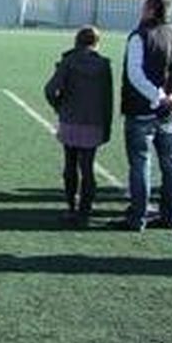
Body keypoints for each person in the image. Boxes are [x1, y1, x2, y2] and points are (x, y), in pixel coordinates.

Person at [119, 0, 172, 231]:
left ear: (152, 10)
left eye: (145, 7)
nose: (141, 11)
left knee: (141, 163)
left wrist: (161, 97)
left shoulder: (140, 36)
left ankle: (138, 216)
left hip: (144, 109)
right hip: (171, 112)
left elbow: (135, 74)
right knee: (171, 163)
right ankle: (171, 215)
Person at [44, 26, 114, 225]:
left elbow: (50, 90)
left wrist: (60, 107)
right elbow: (108, 99)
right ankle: (86, 210)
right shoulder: (104, 65)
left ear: (77, 41)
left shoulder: (68, 62)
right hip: (94, 122)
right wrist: (106, 125)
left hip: (71, 120)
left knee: (70, 165)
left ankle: (71, 207)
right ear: (96, 43)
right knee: (88, 168)